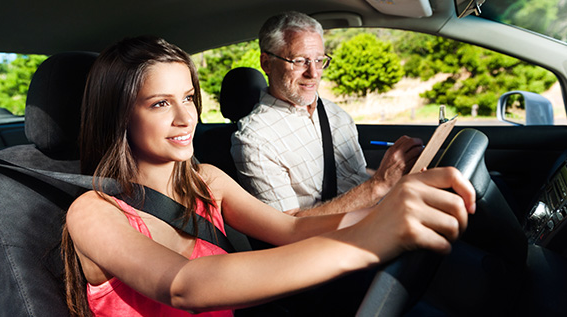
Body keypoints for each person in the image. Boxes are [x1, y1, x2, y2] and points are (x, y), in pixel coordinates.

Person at [62, 35, 475, 316]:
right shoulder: (92, 212)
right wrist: (366, 242)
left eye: (189, 98)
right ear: (118, 116)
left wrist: (394, 209)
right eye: (159, 104)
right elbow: (184, 285)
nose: (186, 117)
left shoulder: (207, 180)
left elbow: (292, 231)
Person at [231, 11, 424, 215]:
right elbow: (289, 226)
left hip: (383, 217)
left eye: (319, 60)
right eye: (299, 61)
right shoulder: (255, 140)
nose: (313, 73)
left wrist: (398, 177)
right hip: (339, 240)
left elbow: (353, 177)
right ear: (267, 63)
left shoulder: (335, 114)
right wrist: (378, 185)